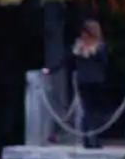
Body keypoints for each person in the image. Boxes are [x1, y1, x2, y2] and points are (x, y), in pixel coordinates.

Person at [44, 19, 109, 148]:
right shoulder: (99, 47)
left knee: (87, 110)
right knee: (92, 111)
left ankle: (88, 140)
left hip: (83, 80)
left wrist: (51, 69)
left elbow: (65, 60)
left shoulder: (78, 47)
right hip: (95, 81)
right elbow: (104, 63)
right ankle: (93, 140)